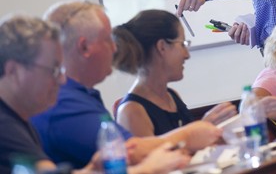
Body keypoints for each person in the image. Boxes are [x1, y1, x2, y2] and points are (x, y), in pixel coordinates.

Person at [31, 0, 221, 169]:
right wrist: (190, 134)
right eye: (107, 40)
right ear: (84, 47)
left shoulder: (82, 96)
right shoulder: (65, 103)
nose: (115, 48)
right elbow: (133, 153)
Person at [0, 15, 188, 174]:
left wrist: (91, 169)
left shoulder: (18, 119)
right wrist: (146, 169)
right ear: (13, 71)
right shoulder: (5, 125)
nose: (61, 80)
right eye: (53, 70)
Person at [112, 9, 237, 137]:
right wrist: (201, 128)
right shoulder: (131, 112)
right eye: (182, 44)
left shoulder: (171, 96)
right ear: (162, 47)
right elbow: (160, 156)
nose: (187, 55)